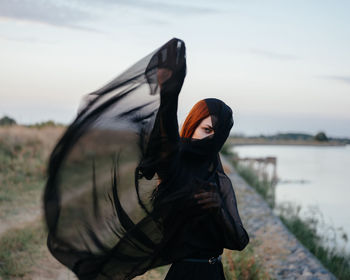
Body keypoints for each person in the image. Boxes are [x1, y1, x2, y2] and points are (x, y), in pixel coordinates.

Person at [43, 38, 249, 280]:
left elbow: (239, 240)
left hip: (215, 273)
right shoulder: (174, 166)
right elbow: (166, 136)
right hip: (183, 274)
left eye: (218, 134)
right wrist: (169, 92)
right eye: (206, 130)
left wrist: (218, 210)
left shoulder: (218, 180)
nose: (210, 139)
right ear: (192, 125)